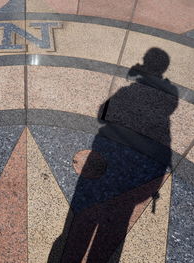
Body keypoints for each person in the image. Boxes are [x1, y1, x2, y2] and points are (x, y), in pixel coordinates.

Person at [48, 48, 178, 262]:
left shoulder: (131, 91)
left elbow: (102, 113)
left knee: (80, 227)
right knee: (113, 229)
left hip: (114, 151)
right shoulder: (168, 100)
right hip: (138, 164)